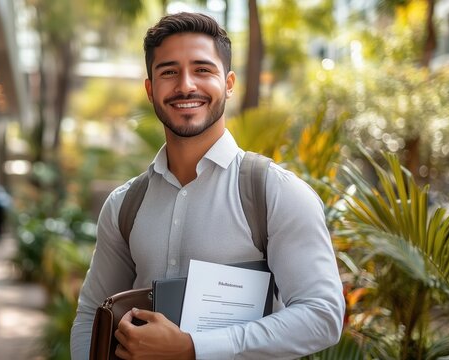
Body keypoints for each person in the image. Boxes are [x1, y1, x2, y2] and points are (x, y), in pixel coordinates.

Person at [71, 12, 345, 359]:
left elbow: (323, 316)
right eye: (168, 72)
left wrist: (191, 348)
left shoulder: (275, 193)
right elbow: (90, 316)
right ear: (149, 88)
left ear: (229, 83)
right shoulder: (124, 205)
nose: (186, 85)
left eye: (203, 69)